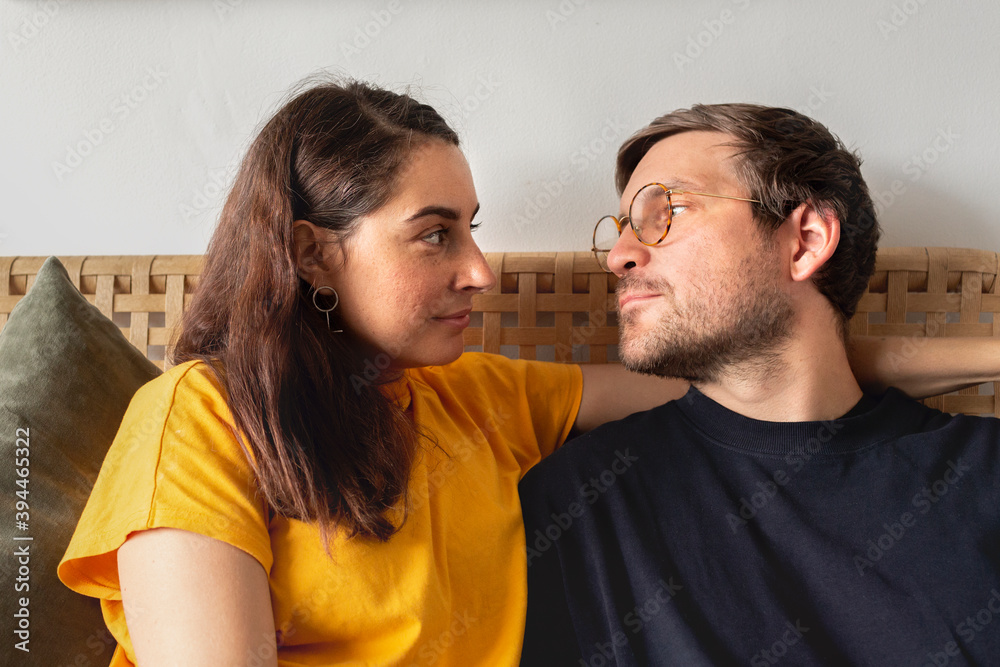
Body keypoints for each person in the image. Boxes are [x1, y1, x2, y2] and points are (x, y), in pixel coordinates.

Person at [56, 81, 993, 666]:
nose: (481, 271)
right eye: (435, 234)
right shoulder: (202, 415)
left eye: (663, 213)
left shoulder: (480, 402)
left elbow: (762, 367)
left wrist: (983, 351)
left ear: (806, 239)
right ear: (312, 255)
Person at [519, 104, 1000, 666]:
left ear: (805, 242)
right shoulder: (579, 505)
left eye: (668, 210)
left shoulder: (984, 474)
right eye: (622, 227)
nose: (620, 256)